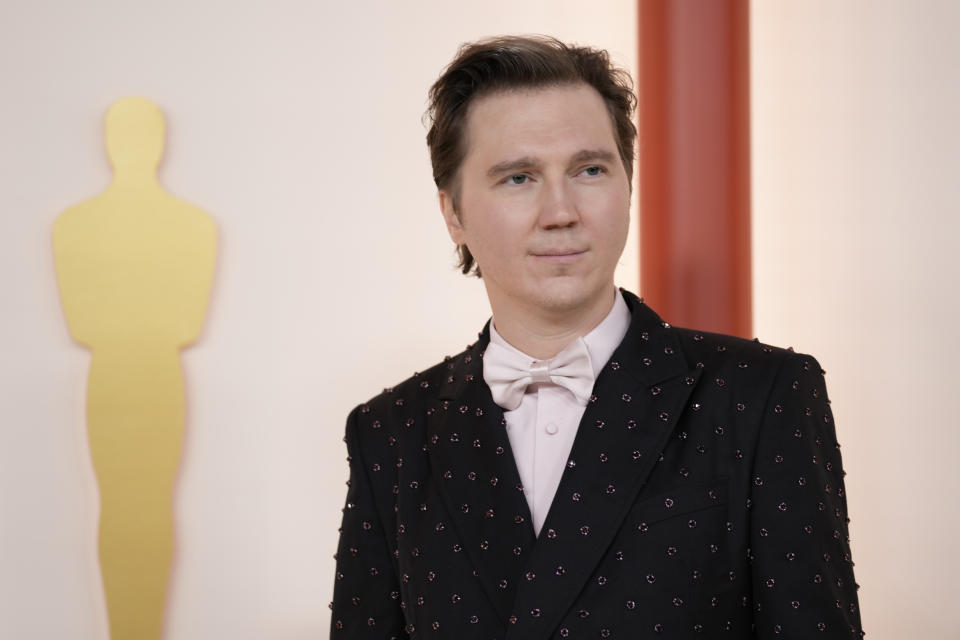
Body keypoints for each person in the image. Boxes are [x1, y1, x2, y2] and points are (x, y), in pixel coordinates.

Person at [330, 35, 863, 639]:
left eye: (589, 170)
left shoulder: (761, 397)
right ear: (453, 213)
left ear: (627, 185)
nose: (560, 211)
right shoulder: (390, 433)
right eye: (518, 178)